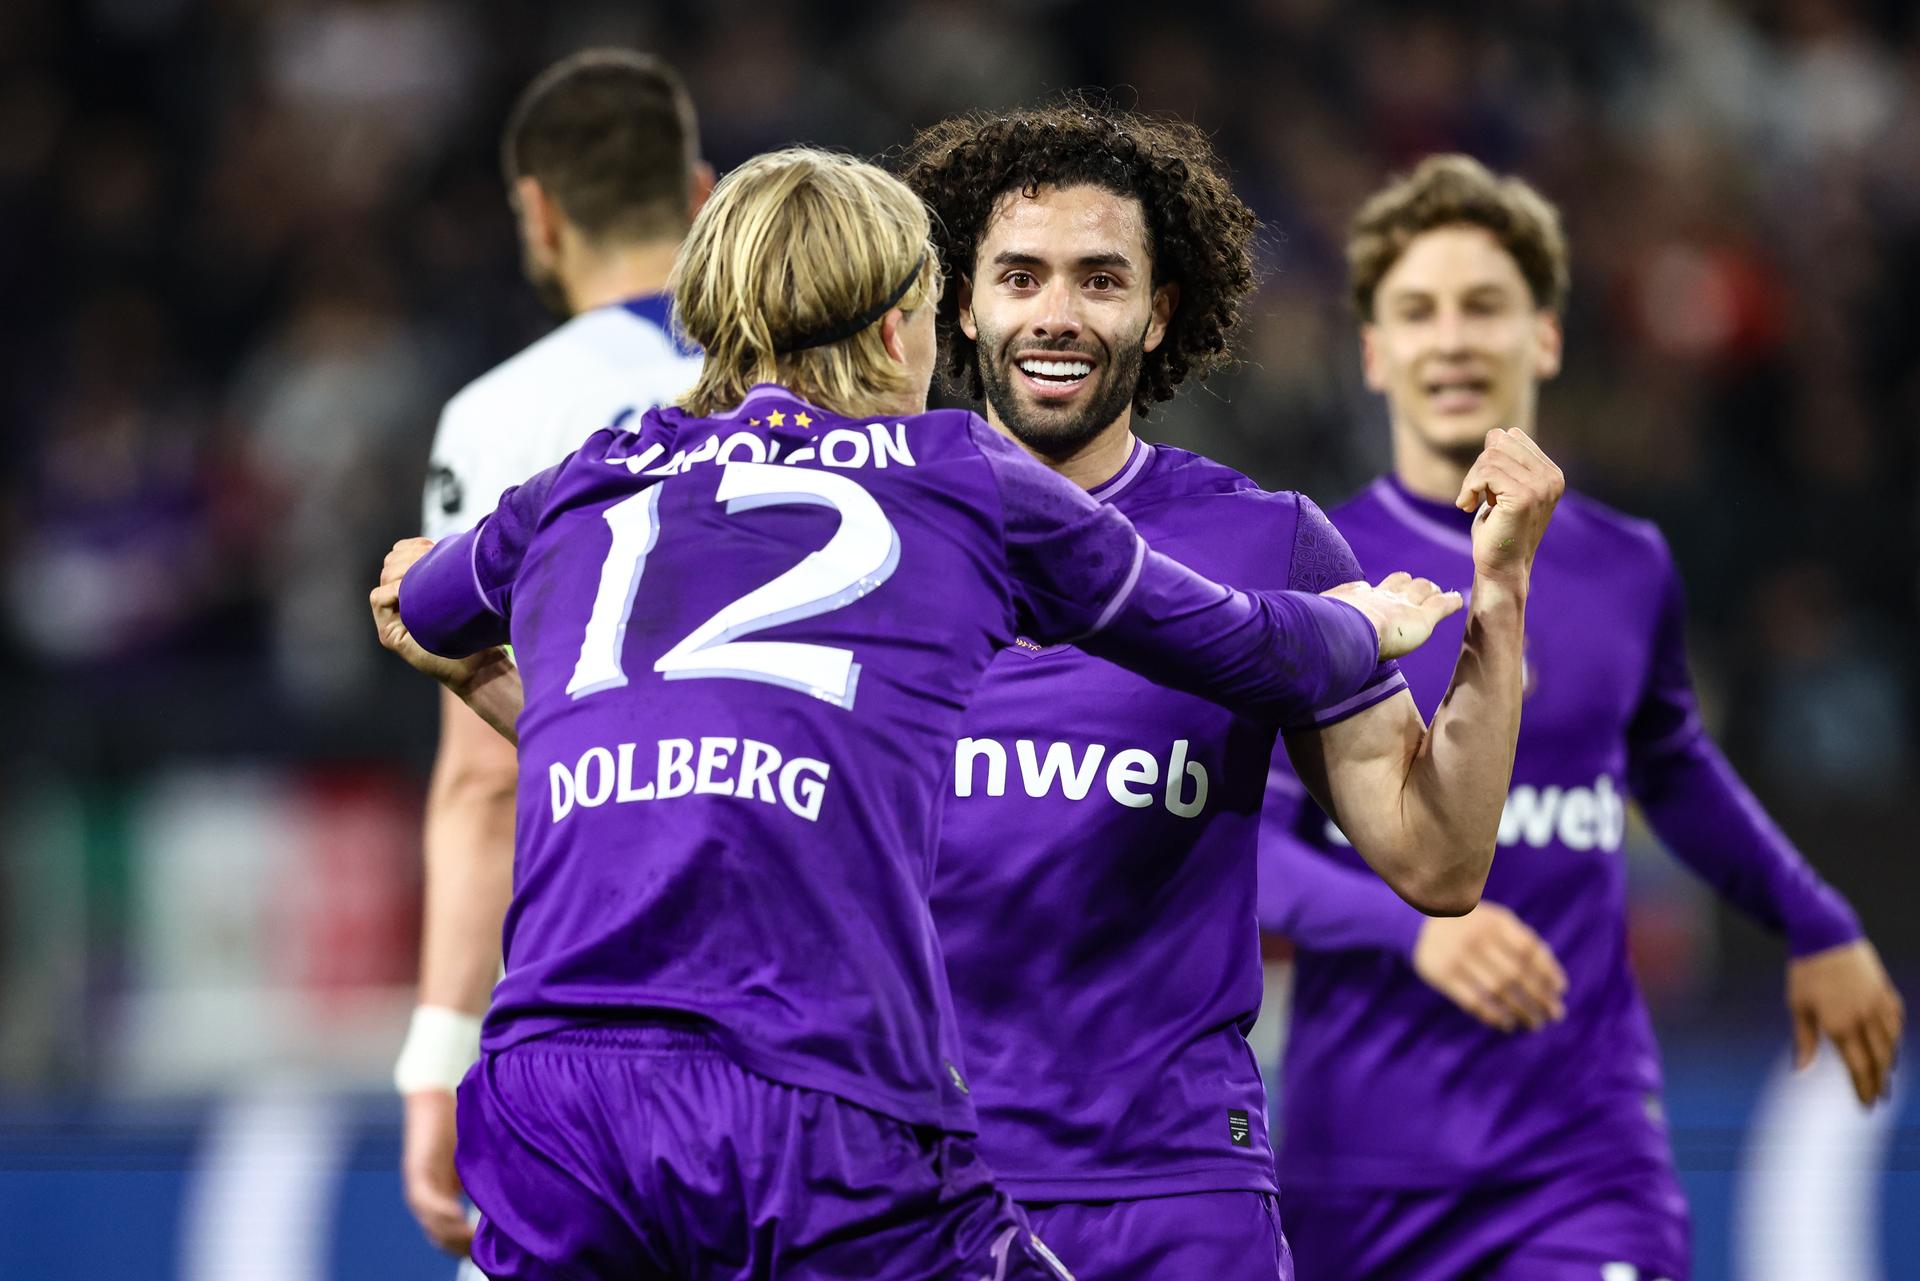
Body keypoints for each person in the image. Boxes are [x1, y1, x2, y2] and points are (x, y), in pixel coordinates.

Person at [369, 146, 1466, 1281]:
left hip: (549, 1089)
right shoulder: (953, 475)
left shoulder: (593, 475)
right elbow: (1243, 641)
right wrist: (1367, 626)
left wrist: (453, 625)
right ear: (905, 327)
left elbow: (421, 602)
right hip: (809, 1093)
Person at [897, 103, 1562, 1279]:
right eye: (1021, 276)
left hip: (1172, 1196)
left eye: (1101, 280)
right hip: (908, 1185)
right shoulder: (869, 535)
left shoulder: (1269, 547)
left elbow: (1437, 859)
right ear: (962, 299)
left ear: (1158, 314)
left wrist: (1497, 600)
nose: (1057, 315)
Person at [1259, 154, 1905, 1281]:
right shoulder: (1311, 570)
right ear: (1373, 350)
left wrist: (1815, 919)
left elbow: (1673, 764)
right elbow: (1243, 850)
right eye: (1416, 311)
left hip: (1582, 1149)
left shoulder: (1624, 565)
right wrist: (1412, 925)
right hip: (1363, 1165)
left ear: (1545, 338)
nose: (1452, 340)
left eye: (1485, 307)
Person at [396, 48, 709, 1260]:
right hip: (827, 1000)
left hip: (598, 991)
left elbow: (483, 779)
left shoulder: (501, 417)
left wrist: (436, 1053)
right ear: (700, 191)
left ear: (535, 207)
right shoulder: (834, 387)